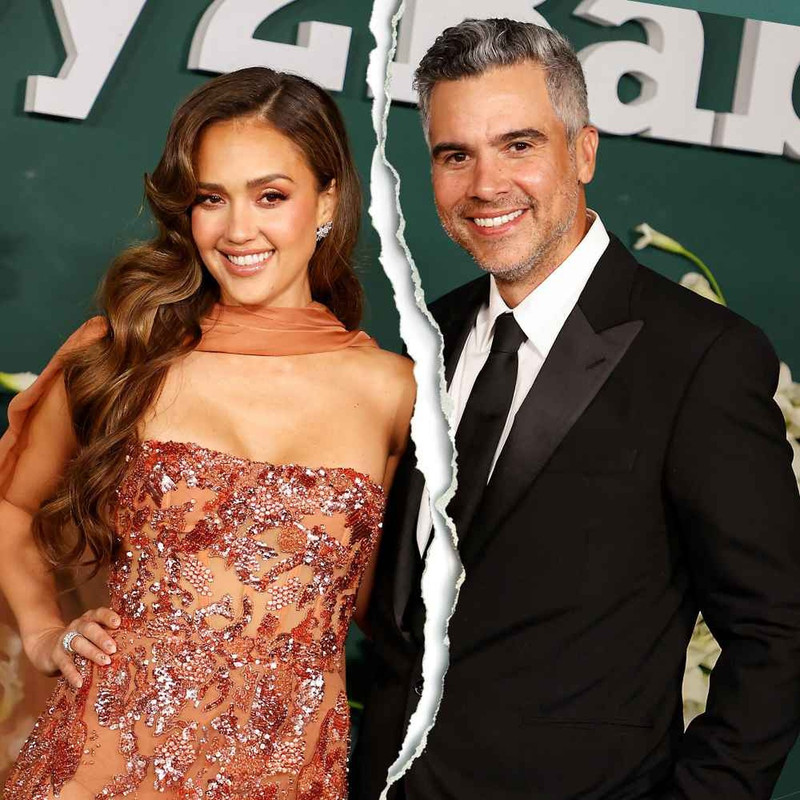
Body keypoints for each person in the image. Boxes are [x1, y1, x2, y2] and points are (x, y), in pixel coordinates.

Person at [352, 18, 800, 800]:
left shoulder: (702, 356)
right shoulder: (427, 338)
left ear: (584, 151)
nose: (486, 185)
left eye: (518, 144)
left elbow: (779, 632)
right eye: (456, 155)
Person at [0, 66, 415, 800]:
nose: (238, 230)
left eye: (271, 196)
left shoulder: (393, 391)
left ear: (328, 201)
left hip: (287, 774)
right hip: (101, 763)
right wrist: (41, 631)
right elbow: (12, 505)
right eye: (210, 199)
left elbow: (383, 609)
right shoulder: (122, 355)